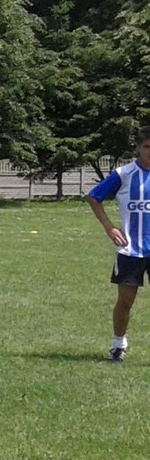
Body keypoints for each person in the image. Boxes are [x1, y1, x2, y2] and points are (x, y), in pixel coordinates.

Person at [86, 125, 150, 362]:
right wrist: (110, 227)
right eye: (147, 147)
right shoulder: (124, 174)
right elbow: (94, 197)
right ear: (138, 148)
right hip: (130, 250)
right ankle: (118, 345)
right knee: (125, 301)